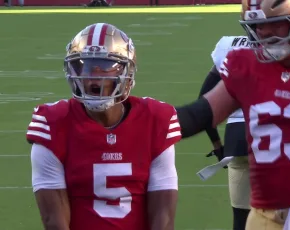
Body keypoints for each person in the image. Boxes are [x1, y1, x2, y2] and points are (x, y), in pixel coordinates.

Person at [176, 0, 290, 228]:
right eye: (258, 26)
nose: (264, 32)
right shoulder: (247, 67)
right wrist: (146, 120)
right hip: (266, 214)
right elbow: (200, 115)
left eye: (275, 24)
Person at [26, 23, 181, 230]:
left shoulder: (155, 120)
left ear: (128, 73)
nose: (92, 76)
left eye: (105, 66)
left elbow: (163, 217)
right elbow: (54, 221)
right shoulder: (51, 124)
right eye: (84, 65)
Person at [199, 35, 251, 230]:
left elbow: (203, 102)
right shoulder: (286, 45)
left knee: (241, 219)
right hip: (274, 142)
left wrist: (218, 146)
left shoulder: (229, 45)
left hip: (236, 141)